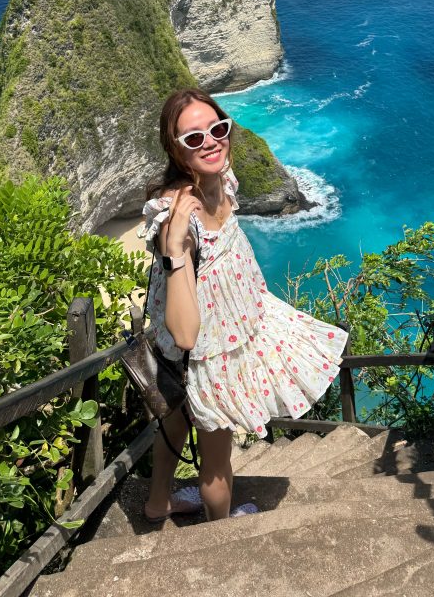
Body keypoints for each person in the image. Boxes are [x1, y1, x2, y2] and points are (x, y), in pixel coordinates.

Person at [140, 87, 348, 523]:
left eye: (218, 129)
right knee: (218, 461)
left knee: (173, 424)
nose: (211, 141)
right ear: (176, 152)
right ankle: (224, 536)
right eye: (193, 138)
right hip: (207, 353)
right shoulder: (176, 220)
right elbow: (185, 333)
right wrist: (175, 242)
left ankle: (158, 501)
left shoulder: (224, 179)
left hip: (229, 328)